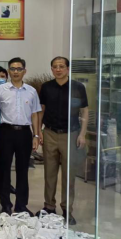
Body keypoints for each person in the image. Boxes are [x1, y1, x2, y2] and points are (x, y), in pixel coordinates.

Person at [38, 57, 88, 225]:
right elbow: (41, 110)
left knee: (69, 174)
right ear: (52, 69)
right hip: (50, 133)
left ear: (67, 68)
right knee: (49, 173)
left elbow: (84, 111)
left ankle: (67, 209)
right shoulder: (46, 87)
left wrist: (82, 134)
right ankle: (49, 207)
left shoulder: (78, 87)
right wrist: (38, 132)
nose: (58, 69)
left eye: (61, 66)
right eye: (55, 67)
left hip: (71, 134)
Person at [0, 57, 42, 215]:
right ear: (9, 71)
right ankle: (6, 205)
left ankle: (21, 205)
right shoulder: (0, 90)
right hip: (5, 132)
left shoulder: (31, 91)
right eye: (13, 69)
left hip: (24, 133)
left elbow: (35, 114)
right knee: (4, 170)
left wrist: (36, 135)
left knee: (23, 170)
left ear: (24, 71)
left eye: (19, 69)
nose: (16, 72)